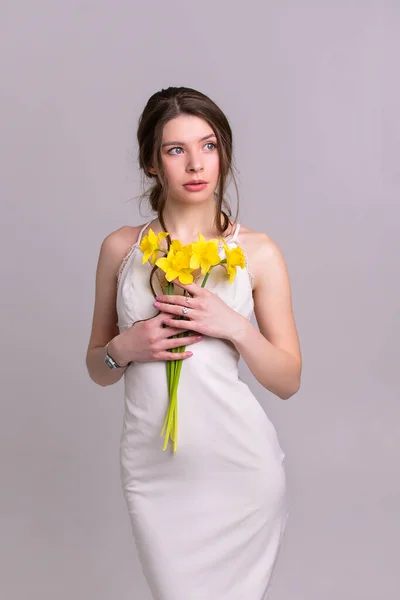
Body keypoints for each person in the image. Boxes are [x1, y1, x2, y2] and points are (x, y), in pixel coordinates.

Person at [86, 86, 302, 599]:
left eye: (208, 146)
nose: (196, 164)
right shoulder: (123, 248)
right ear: (152, 164)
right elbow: (97, 365)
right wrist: (128, 347)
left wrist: (232, 326)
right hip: (154, 470)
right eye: (175, 150)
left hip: (240, 469)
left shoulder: (256, 252)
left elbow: (288, 379)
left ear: (223, 153)